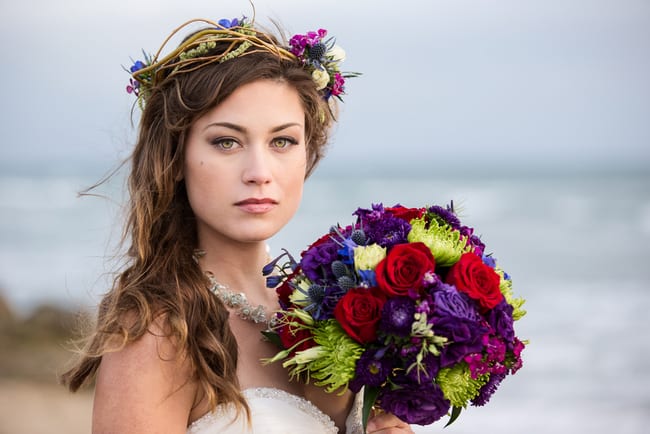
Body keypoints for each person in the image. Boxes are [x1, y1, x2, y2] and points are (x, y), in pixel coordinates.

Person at [61, 14, 414, 434]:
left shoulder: (337, 310)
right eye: (226, 141)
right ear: (175, 157)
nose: (259, 171)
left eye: (282, 141)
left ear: (307, 155)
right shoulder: (158, 332)